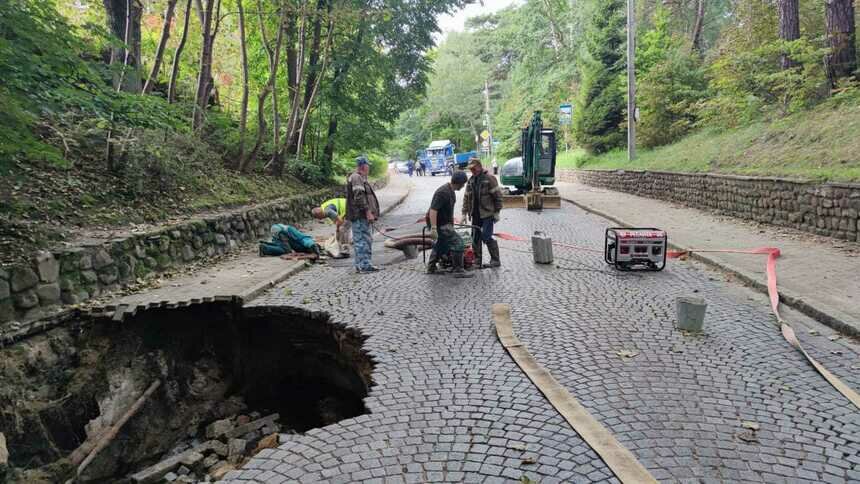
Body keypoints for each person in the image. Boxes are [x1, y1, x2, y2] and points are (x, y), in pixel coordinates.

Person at [426, 171, 474, 278]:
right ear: (459, 182)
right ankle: (458, 270)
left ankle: (431, 268)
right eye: (463, 184)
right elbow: (433, 210)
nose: (463, 186)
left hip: (445, 223)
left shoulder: (451, 192)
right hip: (440, 224)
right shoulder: (443, 192)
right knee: (458, 243)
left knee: (441, 245)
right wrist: (433, 228)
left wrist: (451, 224)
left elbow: (448, 211)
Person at [462, 158, 503, 268]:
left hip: (487, 214)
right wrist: (464, 213)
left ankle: (495, 260)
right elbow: (466, 198)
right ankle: (477, 261)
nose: (472, 171)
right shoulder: (470, 181)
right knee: (475, 238)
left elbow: (498, 196)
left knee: (486, 236)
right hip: (475, 215)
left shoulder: (489, 179)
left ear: (479, 167)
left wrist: (497, 212)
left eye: (474, 168)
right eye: (471, 169)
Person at [346, 156, 381, 273]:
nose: (369, 167)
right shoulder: (356, 177)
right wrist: (368, 212)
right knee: (361, 240)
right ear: (363, 166)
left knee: (366, 239)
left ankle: (365, 264)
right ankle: (362, 265)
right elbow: (359, 197)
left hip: (362, 216)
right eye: (368, 165)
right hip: (359, 215)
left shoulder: (361, 178)